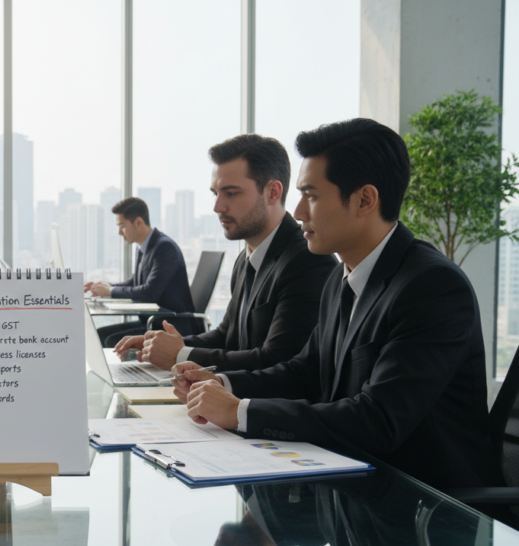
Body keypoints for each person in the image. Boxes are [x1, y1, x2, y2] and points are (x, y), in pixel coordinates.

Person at [174, 118, 499, 491]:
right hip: (354, 489)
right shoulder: (341, 277)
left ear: (364, 200)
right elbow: (305, 372)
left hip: (428, 506)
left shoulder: (432, 287)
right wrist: (222, 383)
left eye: (311, 196)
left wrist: (240, 411)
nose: (298, 212)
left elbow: (378, 420)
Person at [113, 135, 337, 372]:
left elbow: (276, 361)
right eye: (215, 193)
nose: (217, 207)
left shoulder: (307, 261)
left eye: (231, 193)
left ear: (272, 192)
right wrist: (161, 346)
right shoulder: (245, 259)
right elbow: (226, 335)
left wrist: (180, 355)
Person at [84, 197, 194, 347]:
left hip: (170, 326)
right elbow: (134, 282)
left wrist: (111, 291)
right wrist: (104, 287)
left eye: (122, 226)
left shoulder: (165, 248)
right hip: (151, 321)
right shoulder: (144, 247)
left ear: (138, 222)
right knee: (99, 334)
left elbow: (149, 292)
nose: (119, 232)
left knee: (110, 340)